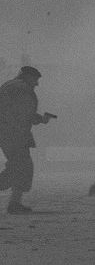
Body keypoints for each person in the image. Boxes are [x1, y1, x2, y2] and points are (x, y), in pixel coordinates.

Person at [0, 66, 54, 214]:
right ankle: (14, 204)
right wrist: (41, 119)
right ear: (28, 77)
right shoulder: (23, 89)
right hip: (16, 135)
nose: (37, 83)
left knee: (18, 167)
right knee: (22, 168)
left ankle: (15, 203)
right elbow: (24, 114)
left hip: (7, 134)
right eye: (35, 79)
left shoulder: (8, 85)